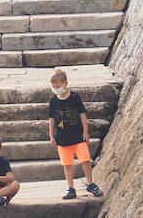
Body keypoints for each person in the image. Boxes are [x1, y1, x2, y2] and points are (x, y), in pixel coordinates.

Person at [48, 68, 102, 200]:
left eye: (58, 86)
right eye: (54, 87)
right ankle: (70, 188)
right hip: (62, 138)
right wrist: (51, 135)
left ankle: (90, 183)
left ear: (65, 83)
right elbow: (51, 119)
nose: (56, 89)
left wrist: (85, 131)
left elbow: (82, 114)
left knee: (85, 160)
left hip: (78, 136)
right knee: (67, 164)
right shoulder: (53, 101)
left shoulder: (75, 97)